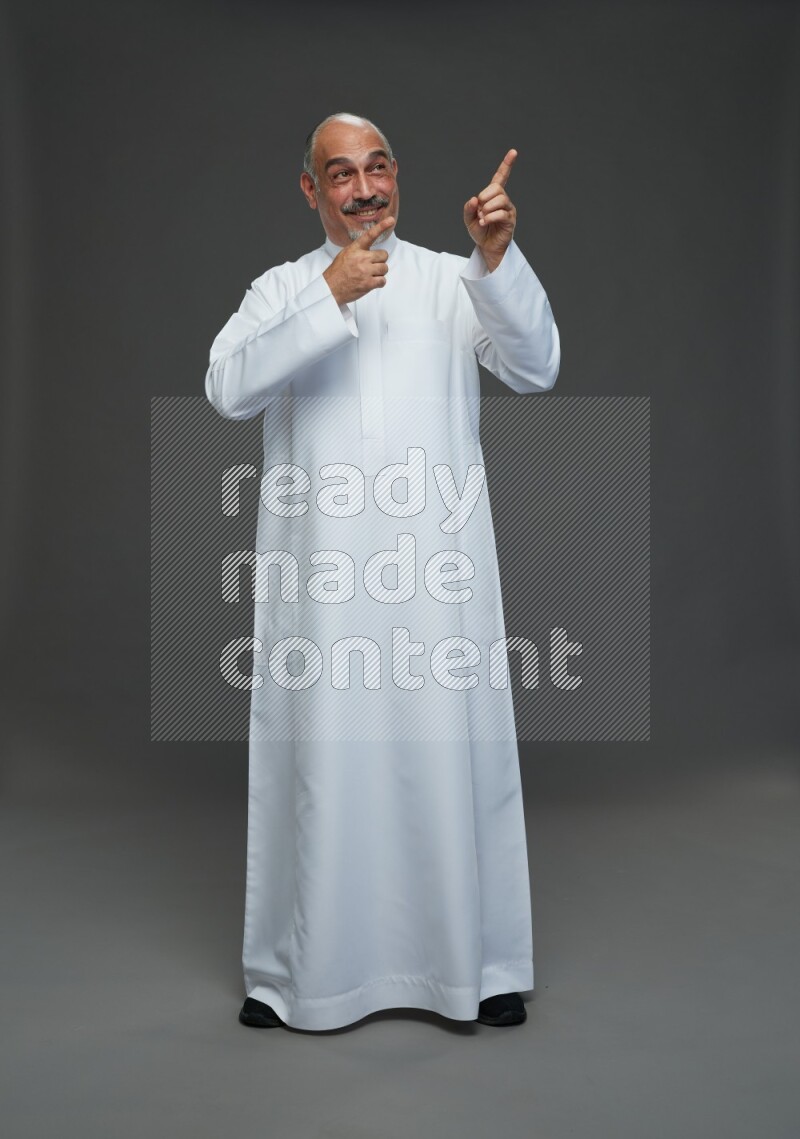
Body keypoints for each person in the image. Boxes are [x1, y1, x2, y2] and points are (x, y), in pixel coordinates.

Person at [205, 112, 560, 1031]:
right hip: (321, 591)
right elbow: (227, 388)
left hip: (433, 586)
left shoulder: (451, 279)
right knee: (322, 766)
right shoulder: (284, 287)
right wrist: (329, 293)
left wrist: (495, 262)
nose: (363, 189)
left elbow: (537, 367)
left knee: (452, 757)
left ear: (397, 175)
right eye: (340, 174)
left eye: (376, 169)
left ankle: (478, 964)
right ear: (310, 190)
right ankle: (298, 973)